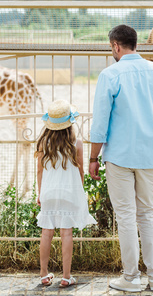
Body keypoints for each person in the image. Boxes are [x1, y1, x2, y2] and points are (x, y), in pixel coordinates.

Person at [89, 24, 153, 292]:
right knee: (147, 214)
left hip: (119, 156)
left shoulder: (110, 75)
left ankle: (131, 278)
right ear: (134, 43)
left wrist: (93, 157)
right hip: (150, 154)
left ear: (116, 45)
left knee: (126, 217)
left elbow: (100, 122)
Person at [35, 99, 96, 287]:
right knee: (66, 233)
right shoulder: (76, 143)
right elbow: (80, 171)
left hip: (49, 192)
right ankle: (66, 276)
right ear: (70, 123)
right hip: (69, 192)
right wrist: (81, 190)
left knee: (46, 233)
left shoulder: (44, 143)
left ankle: (44, 274)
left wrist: (39, 193)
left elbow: (39, 171)